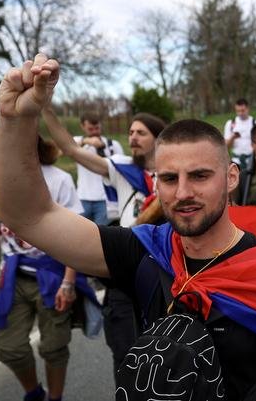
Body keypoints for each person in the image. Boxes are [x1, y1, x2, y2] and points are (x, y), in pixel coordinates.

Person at [0, 54, 256, 401]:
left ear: (230, 178)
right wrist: (14, 120)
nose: (183, 192)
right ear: (156, 182)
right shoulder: (146, 250)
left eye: (200, 176)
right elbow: (30, 215)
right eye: (169, 179)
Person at [42, 107, 166, 367]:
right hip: (128, 256)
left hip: (165, 262)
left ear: (158, 138)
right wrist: (45, 108)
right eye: (131, 132)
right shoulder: (122, 167)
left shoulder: (175, 172)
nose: (132, 137)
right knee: (125, 346)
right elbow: (72, 149)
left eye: (141, 133)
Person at [0, 133, 86, 401]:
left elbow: (74, 236)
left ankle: (55, 398)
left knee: (54, 347)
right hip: (14, 277)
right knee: (9, 348)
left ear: (32, 146)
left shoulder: (58, 180)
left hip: (53, 273)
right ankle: (34, 393)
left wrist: (69, 282)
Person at [73, 112, 123, 226]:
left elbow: (120, 168)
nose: (95, 132)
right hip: (82, 198)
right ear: (82, 126)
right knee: (78, 232)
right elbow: (62, 150)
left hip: (105, 200)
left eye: (97, 128)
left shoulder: (112, 145)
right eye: (90, 129)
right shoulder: (77, 143)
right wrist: (86, 141)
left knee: (100, 235)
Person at [224, 98, 254, 167]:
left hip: (251, 160)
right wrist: (233, 137)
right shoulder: (230, 123)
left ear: (248, 109)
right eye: (238, 111)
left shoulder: (254, 123)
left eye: (243, 111)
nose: (240, 113)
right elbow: (225, 146)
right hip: (236, 161)